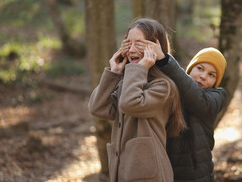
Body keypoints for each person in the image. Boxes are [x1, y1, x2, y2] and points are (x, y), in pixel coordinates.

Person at [88, 18, 186, 182]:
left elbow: (129, 104)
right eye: (128, 44)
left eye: (139, 44)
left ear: (154, 48)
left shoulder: (163, 86)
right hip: (124, 172)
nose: (132, 49)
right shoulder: (130, 83)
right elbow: (97, 107)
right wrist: (114, 74)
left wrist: (139, 69)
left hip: (150, 176)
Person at [122, 39, 227, 182]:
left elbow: (200, 102)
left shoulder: (216, 96)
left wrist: (165, 60)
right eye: (200, 68)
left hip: (197, 175)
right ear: (190, 69)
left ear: (216, 81)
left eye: (211, 75)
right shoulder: (172, 86)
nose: (203, 76)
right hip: (166, 170)